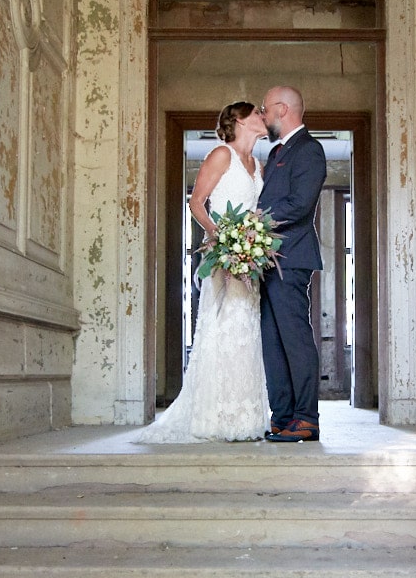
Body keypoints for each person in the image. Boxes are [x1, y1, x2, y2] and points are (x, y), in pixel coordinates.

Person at [137, 101, 270, 443]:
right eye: (257, 112)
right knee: (224, 326)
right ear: (239, 120)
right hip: (224, 256)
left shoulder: (257, 163)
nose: (263, 117)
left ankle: (246, 415)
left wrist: (254, 241)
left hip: (249, 260)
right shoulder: (221, 155)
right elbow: (196, 202)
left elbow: (257, 211)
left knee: (247, 329)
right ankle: (215, 415)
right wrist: (221, 238)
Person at [258, 86, 327, 442]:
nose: (263, 115)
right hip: (267, 263)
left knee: (295, 340)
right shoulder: (277, 153)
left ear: (282, 109)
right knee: (273, 342)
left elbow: (300, 205)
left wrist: (255, 219)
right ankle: (283, 416)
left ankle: (306, 418)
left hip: (291, 259)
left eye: (265, 109)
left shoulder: (309, 150)